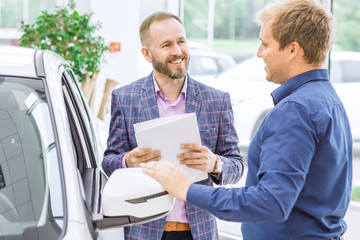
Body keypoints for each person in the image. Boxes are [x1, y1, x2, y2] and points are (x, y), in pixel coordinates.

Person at [141, 0, 353, 239]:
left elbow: (270, 202)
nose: (258, 53)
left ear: (292, 50)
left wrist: (186, 189)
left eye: (265, 44)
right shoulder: (327, 99)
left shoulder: (295, 110)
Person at [102, 11, 244, 240]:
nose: (177, 51)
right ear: (147, 54)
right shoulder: (125, 98)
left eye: (181, 41)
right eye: (166, 45)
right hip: (144, 230)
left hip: (198, 232)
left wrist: (215, 163)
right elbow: (108, 162)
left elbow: (236, 166)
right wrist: (127, 161)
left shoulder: (216, 100)